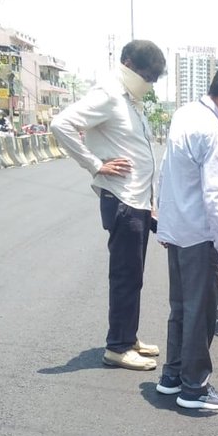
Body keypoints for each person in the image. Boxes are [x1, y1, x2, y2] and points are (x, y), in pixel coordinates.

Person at [51, 39, 166, 371]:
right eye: (147, 75)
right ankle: (117, 346)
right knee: (125, 275)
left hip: (137, 201)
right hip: (122, 201)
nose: (150, 82)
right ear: (127, 63)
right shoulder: (109, 93)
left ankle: (127, 337)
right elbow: (61, 124)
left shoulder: (130, 100)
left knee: (134, 276)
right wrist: (94, 164)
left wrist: (151, 203)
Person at [155, 64, 218, 410]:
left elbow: (167, 174)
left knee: (181, 308)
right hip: (200, 235)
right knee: (200, 313)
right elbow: (215, 200)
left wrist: (166, 225)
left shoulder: (184, 114)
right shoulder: (214, 132)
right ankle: (194, 388)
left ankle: (172, 377)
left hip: (178, 231)